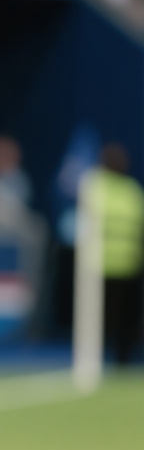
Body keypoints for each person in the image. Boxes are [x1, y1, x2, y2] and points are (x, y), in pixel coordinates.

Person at [83, 143, 144, 365]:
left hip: (106, 266)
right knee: (121, 319)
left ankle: (103, 360)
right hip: (122, 265)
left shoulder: (94, 187)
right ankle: (116, 360)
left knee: (104, 319)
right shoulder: (130, 190)